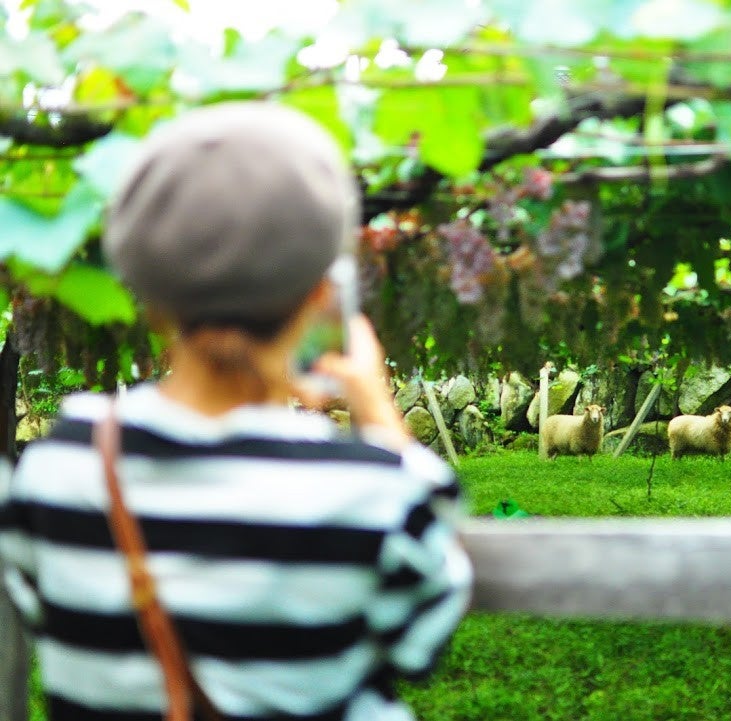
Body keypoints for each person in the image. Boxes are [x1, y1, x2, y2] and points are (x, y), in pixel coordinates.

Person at [0, 102, 472, 721]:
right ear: (320, 297)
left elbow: (38, 606)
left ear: (150, 297)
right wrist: (379, 414)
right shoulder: (372, 490)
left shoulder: (56, 470)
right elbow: (418, 644)